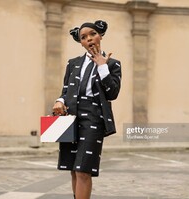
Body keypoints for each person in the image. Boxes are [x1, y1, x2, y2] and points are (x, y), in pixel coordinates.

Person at [52, 20, 122, 199]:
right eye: (84, 37)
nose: (89, 39)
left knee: (83, 170)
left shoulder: (113, 64)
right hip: (71, 116)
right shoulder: (73, 63)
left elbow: (112, 93)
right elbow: (66, 90)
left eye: (93, 34)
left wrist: (102, 66)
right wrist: (59, 102)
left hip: (93, 118)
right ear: (81, 42)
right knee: (73, 170)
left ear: (101, 36)